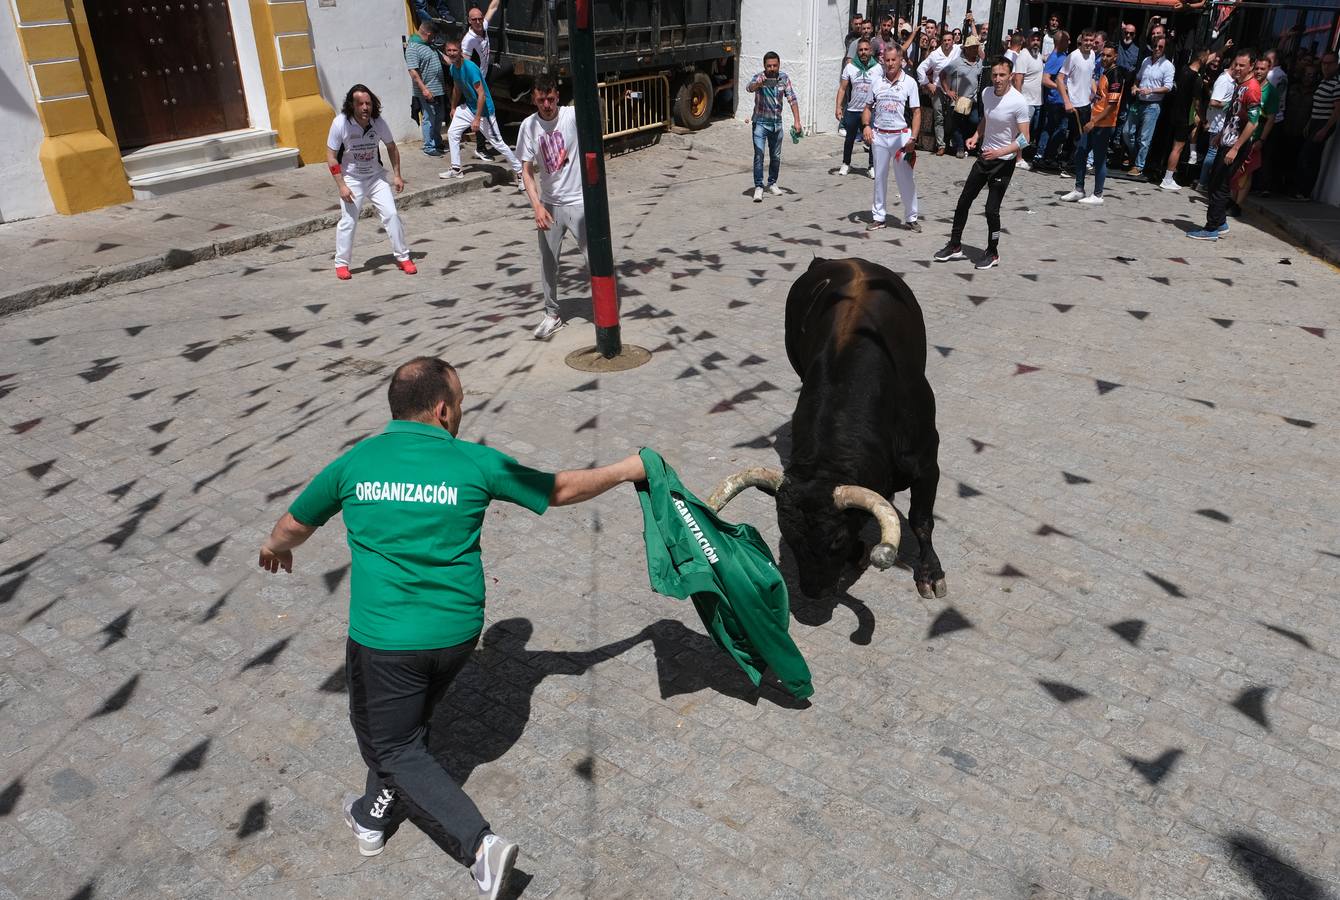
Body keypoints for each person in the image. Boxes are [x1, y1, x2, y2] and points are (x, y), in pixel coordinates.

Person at [257, 356, 647, 900]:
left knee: (390, 744)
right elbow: (560, 489)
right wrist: (629, 469)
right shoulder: (474, 463)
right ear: (442, 410)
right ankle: (372, 817)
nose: (462, 411)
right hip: (457, 635)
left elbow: (292, 526)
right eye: (461, 402)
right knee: (403, 731)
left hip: (386, 640)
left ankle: (480, 847)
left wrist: (274, 548)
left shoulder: (355, 463)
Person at [935, 56, 1031, 270]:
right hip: (984, 158)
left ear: (1011, 76)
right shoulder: (987, 93)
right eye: (995, 75)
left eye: (1002, 75)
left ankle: (993, 252)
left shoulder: (1018, 102)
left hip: (1003, 162)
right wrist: (976, 136)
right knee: (963, 201)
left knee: (991, 210)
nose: (997, 79)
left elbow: (1025, 139)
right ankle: (955, 245)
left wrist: (1001, 151)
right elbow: (987, 119)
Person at [517, 73, 589, 340]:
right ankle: (552, 313)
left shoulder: (571, 116)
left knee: (595, 258)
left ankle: (605, 308)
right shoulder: (529, 126)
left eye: (550, 99)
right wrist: (536, 206)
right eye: (540, 100)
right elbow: (525, 170)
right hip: (550, 203)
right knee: (549, 262)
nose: (546, 105)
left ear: (557, 96)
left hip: (580, 200)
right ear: (534, 99)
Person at [326, 85, 414, 281]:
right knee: (349, 221)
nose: (365, 108)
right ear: (352, 105)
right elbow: (331, 157)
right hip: (351, 179)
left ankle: (403, 257)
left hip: (375, 177)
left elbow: (391, 147)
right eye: (361, 104)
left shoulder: (378, 122)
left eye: (368, 103)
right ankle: (342, 264)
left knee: (392, 214)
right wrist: (341, 185)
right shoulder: (340, 123)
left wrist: (397, 175)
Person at [1188, 48, 1260, 240]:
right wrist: (1221, 134)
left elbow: (1253, 122)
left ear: (1251, 65)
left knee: (1219, 186)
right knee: (1214, 183)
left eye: (1242, 65)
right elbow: (1233, 114)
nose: (1237, 68)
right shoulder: (1239, 84)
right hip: (1226, 140)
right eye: (1235, 64)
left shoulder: (1252, 88)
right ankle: (1219, 222)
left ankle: (1211, 228)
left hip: (1236, 145)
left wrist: (1235, 148)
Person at [441, 34, 523, 187]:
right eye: (449, 50)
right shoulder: (453, 68)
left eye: (455, 50)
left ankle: (520, 173)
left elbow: (482, 95)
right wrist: (453, 107)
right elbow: (457, 88)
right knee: (452, 132)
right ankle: (456, 169)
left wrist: (477, 118)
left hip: (484, 111)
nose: (452, 53)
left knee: (498, 144)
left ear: (460, 51)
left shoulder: (470, 68)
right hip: (469, 108)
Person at [863, 45, 923, 232]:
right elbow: (867, 107)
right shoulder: (876, 82)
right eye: (886, 60)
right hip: (879, 136)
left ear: (900, 60)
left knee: (905, 178)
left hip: (901, 138)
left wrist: (913, 137)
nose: (890, 64)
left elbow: (916, 112)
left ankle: (911, 217)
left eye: (893, 60)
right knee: (879, 177)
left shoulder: (910, 83)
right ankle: (879, 217)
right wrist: (866, 126)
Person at [1065, 44, 1122, 203]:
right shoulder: (1105, 72)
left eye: (1108, 56)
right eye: (1103, 55)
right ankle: (1079, 188)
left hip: (1104, 124)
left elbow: (1112, 105)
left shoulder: (1116, 75)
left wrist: (1094, 121)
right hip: (1094, 120)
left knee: (1099, 159)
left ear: (1115, 57)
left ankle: (1098, 194)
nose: (1104, 58)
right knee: (1081, 152)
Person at [745, 51, 802, 202]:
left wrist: (797, 121)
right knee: (759, 155)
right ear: (764, 66)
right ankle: (758, 186)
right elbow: (749, 88)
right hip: (760, 123)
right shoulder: (759, 77)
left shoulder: (784, 78)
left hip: (777, 124)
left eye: (774, 65)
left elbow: (792, 99)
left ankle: (772, 183)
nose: (772, 68)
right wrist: (759, 84)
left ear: (779, 65)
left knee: (775, 156)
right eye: (769, 66)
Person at [1229, 56, 1281, 210]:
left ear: (1269, 70)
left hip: (1254, 137)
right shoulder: (1247, 85)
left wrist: (1261, 140)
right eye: (1257, 68)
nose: (1259, 71)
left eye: (1262, 69)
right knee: (1235, 170)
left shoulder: (1271, 92)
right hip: (1238, 134)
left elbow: (1271, 119)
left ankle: (1237, 205)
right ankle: (1231, 200)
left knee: (1246, 172)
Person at [1124, 36, 1175, 176]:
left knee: (1145, 138)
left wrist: (1151, 90)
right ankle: (1133, 157)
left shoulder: (1168, 66)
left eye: (1160, 47)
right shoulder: (1146, 61)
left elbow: (1168, 87)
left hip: (1153, 104)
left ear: (1165, 49)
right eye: (1155, 46)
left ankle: (1139, 166)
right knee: (1127, 132)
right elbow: (1138, 77)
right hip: (1139, 101)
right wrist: (1135, 86)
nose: (1157, 49)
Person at [1159, 48, 1209, 190]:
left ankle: (1168, 174)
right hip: (1184, 116)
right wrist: (1202, 118)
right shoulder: (1196, 78)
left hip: (1174, 113)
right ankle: (1168, 178)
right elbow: (1197, 103)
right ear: (1202, 59)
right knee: (1178, 148)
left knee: (1171, 145)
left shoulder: (1183, 70)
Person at [1291, 50, 1338, 200]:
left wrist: (1325, 128)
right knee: (1305, 155)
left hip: (1324, 123)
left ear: (1336, 64)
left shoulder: (1336, 83)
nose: (1326, 67)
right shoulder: (1323, 81)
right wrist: (1309, 123)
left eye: (1329, 64)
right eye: (1324, 63)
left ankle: (1304, 192)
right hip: (1315, 121)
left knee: (1309, 156)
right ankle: (1300, 190)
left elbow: (1337, 109)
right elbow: (1317, 105)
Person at [461, 1, 502, 161]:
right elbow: (464, 64)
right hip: (476, 82)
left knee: (508, 68)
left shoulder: (483, 26)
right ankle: (480, 148)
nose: (478, 21)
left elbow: (493, 7)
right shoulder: (468, 40)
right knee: (482, 114)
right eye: (474, 19)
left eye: (480, 18)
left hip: (486, 73)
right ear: (469, 21)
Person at [1057, 30, 1097, 182]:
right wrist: (1066, 101)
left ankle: (1067, 164)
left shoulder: (1092, 55)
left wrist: (1095, 92)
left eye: (1091, 40)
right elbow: (1060, 79)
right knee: (1079, 137)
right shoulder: (1073, 56)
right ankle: (1071, 167)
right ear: (1081, 41)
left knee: (1078, 136)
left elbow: (1091, 76)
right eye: (1086, 40)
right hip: (1075, 104)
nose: (1088, 43)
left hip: (1086, 103)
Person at [836, 38, 879, 176]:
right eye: (860, 50)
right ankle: (846, 163)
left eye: (866, 49)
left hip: (870, 110)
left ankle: (872, 166)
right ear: (857, 51)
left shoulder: (878, 68)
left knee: (872, 139)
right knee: (849, 139)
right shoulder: (850, 67)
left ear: (870, 51)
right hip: (853, 109)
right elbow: (842, 88)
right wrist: (838, 107)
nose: (863, 52)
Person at [406, 20, 446, 157]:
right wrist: (424, 90)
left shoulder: (429, 45)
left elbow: (444, 59)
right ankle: (429, 147)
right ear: (428, 33)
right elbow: (413, 72)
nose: (434, 38)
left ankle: (437, 142)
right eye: (433, 35)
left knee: (439, 117)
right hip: (427, 91)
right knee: (429, 118)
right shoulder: (413, 47)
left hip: (439, 89)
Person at [917, 30, 961, 155]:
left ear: (953, 41)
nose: (947, 43)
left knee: (952, 118)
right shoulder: (935, 54)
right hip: (938, 89)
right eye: (945, 40)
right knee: (938, 117)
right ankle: (941, 145)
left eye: (949, 40)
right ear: (941, 42)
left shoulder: (958, 50)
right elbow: (921, 68)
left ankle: (950, 143)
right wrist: (927, 83)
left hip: (954, 90)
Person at [940, 34, 984, 157]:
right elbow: (942, 74)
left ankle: (968, 145)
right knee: (957, 124)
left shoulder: (980, 62)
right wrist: (948, 91)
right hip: (959, 99)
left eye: (976, 47)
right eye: (972, 47)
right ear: (966, 49)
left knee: (974, 122)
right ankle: (959, 147)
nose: (975, 50)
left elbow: (985, 58)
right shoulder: (957, 62)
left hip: (972, 100)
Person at [1198, 54, 1236, 189]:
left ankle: (1205, 182)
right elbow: (1214, 102)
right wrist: (1230, 104)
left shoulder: (1230, 81)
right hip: (1217, 122)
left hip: (1220, 122)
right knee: (1212, 152)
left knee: (1213, 152)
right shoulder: (1224, 81)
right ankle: (1202, 183)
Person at [1035, 29, 1071, 169]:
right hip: (1056, 100)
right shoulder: (1055, 57)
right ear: (1060, 42)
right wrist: (1061, 87)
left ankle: (1044, 155)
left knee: (1053, 127)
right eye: (1067, 40)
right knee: (1058, 128)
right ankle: (1045, 155)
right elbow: (1045, 79)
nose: (1069, 42)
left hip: (1060, 100)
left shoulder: (1062, 55)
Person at [1012, 29, 1045, 169]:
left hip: (1037, 100)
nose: (1036, 42)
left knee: (1029, 132)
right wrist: (1019, 100)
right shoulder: (1024, 56)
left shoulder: (1038, 55)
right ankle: (1018, 158)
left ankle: (1019, 155)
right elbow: (1018, 79)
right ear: (1027, 40)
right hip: (1026, 101)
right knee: (1022, 131)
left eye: (1038, 39)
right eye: (1033, 39)